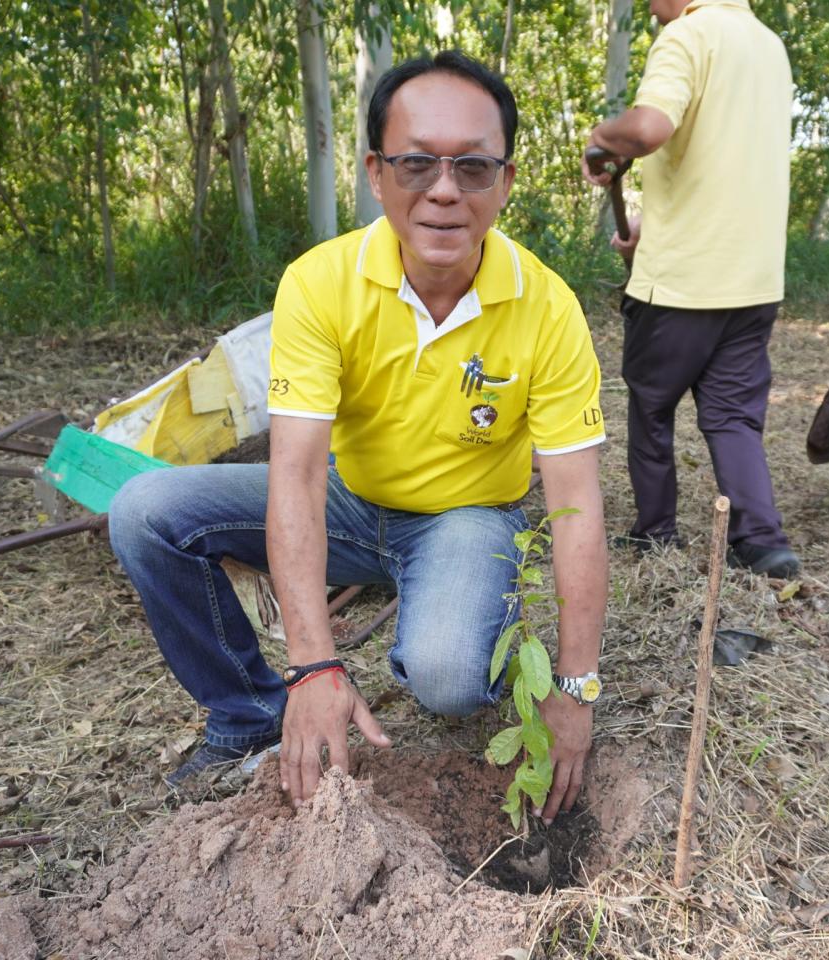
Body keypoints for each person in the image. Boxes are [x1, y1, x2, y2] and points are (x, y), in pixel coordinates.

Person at [109, 52, 609, 823]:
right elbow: (299, 475)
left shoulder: (548, 308)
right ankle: (248, 714)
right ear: (377, 174)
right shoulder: (319, 283)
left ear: (506, 183)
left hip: (468, 515)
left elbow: (577, 506)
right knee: (144, 510)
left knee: (445, 676)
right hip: (351, 500)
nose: (444, 190)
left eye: (474, 168)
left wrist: (574, 688)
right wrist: (313, 666)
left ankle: (464, 599)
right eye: (417, 164)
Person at [581, 0, 798, 578]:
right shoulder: (767, 46)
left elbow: (650, 129)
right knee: (732, 415)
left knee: (652, 409)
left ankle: (655, 533)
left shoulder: (689, 35)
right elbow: (721, 170)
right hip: (753, 278)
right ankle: (762, 541)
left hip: (682, 285)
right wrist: (650, 233)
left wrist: (601, 136)